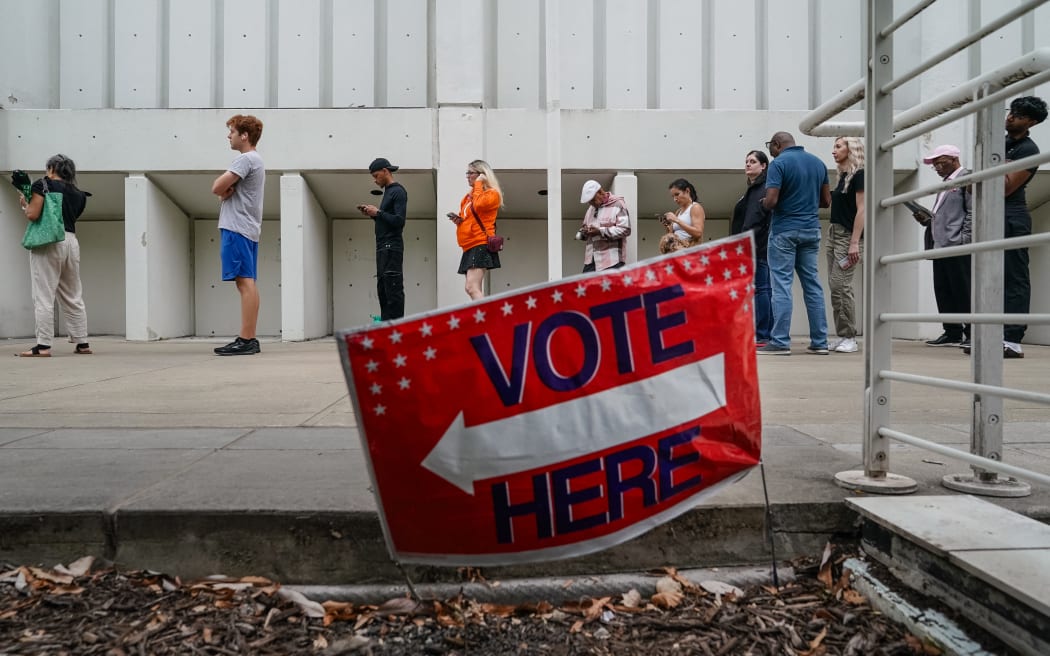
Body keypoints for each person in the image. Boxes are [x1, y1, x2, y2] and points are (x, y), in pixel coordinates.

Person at [757, 131, 831, 356]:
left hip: (784, 231)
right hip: (811, 231)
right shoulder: (818, 163)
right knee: (813, 285)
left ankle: (779, 341)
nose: (770, 150)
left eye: (770, 146)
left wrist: (763, 203)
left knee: (781, 285)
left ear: (778, 144)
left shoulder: (778, 164)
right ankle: (820, 342)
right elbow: (826, 201)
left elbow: (771, 201)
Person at [17, 154, 92, 357]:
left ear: (51, 168)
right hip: (71, 242)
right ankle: (82, 342)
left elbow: (33, 214)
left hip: (48, 242)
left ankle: (43, 346)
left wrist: (25, 203)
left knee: (43, 295)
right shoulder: (79, 194)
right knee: (72, 294)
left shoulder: (43, 185)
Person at [211, 114, 265, 356]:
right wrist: (225, 193)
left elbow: (216, 187)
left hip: (237, 227)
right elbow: (223, 190)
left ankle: (246, 339)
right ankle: (248, 338)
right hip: (247, 228)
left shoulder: (246, 159)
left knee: (244, 283)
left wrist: (223, 192)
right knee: (247, 282)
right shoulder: (256, 161)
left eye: (232, 131)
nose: (228, 135)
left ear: (244, 135)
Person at [999, 95, 1046, 358]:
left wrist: (996, 166)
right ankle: (992, 334)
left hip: (1012, 216)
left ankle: (1012, 340)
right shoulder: (1001, 142)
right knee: (990, 277)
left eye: (1018, 115)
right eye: (1011, 111)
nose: (1011, 117)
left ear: (1032, 122)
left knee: (1014, 278)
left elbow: (1004, 187)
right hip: (992, 216)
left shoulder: (1028, 150)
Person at [913, 145, 972, 349]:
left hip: (957, 245)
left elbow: (973, 211)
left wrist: (965, 239)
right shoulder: (946, 183)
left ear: (954, 159)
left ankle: (971, 332)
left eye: (941, 162)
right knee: (944, 290)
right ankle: (952, 332)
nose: (937, 167)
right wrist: (928, 219)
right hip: (940, 244)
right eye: (935, 164)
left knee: (963, 290)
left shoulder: (966, 178)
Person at [826, 137, 866, 354]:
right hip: (834, 233)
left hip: (847, 236)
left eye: (838, 146)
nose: (834, 151)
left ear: (852, 150)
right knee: (835, 287)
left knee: (842, 286)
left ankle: (850, 337)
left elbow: (863, 210)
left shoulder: (860, 175)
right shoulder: (843, 177)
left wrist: (854, 243)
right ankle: (842, 335)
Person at [731, 150, 772, 346]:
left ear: (763, 166)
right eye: (746, 161)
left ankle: (763, 334)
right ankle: (760, 332)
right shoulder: (752, 189)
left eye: (753, 161)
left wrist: (743, 243)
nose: (748, 164)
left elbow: (756, 221)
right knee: (759, 289)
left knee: (762, 289)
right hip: (749, 246)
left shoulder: (764, 188)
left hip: (757, 247)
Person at [358, 157, 407, 320]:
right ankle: (387, 331)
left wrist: (378, 212)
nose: (375, 180)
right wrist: (374, 215)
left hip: (391, 247)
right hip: (383, 248)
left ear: (386, 171)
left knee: (392, 290)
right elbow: (387, 220)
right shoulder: (388, 192)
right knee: (383, 291)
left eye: (376, 175)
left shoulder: (398, 191)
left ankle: (396, 331)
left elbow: (399, 221)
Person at [448, 159, 503, 300]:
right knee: (471, 288)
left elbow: (479, 205)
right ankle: (482, 316)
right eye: (467, 173)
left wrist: (479, 183)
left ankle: (485, 317)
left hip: (480, 243)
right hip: (469, 245)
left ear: (482, 175)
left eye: (470, 173)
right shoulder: (468, 197)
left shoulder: (492, 194)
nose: (467, 176)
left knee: (472, 287)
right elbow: (469, 217)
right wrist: (459, 221)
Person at [575, 180, 631, 272]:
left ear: (601, 192)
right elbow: (584, 228)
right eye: (589, 202)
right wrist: (584, 232)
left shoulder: (618, 204)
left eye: (593, 200)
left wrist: (600, 231)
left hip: (612, 262)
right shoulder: (591, 209)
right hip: (591, 262)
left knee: (612, 286)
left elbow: (625, 230)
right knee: (586, 286)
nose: (591, 204)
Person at [659, 178, 705, 253]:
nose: (675, 199)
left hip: (689, 250)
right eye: (673, 196)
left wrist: (677, 220)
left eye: (677, 194)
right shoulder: (678, 211)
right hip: (675, 250)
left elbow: (698, 233)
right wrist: (668, 225)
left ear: (687, 191)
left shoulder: (695, 207)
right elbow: (673, 235)